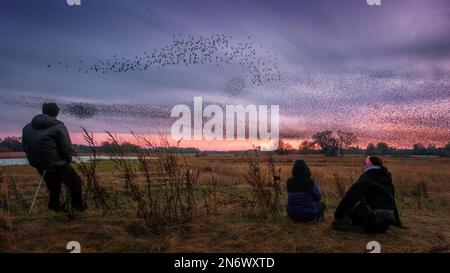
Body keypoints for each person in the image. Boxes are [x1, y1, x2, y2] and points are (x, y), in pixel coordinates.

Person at [22, 103, 84, 212]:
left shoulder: (27, 127)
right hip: (55, 162)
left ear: (43, 111)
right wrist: (68, 159)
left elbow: (25, 146)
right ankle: (78, 207)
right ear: (57, 112)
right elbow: (66, 147)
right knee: (75, 183)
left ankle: (54, 206)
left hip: (38, 163)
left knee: (54, 185)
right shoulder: (58, 126)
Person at [332, 156, 402, 234]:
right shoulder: (387, 178)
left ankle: (359, 227)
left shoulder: (366, 177)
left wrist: (338, 214)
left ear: (368, 165)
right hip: (387, 220)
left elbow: (350, 197)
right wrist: (397, 221)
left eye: (365, 163)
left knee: (354, 208)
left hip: (371, 218)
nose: (363, 165)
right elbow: (392, 201)